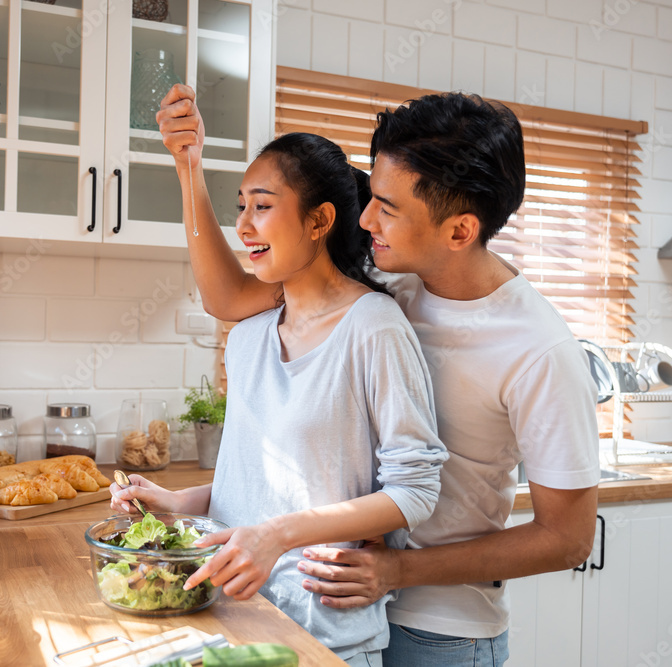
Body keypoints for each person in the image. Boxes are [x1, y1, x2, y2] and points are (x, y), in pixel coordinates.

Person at [149, 84, 601, 667]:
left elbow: (567, 539)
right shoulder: (389, 283)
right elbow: (232, 295)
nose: (365, 217)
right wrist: (189, 168)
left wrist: (396, 569)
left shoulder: (539, 351)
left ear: (459, 231)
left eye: (388, 207)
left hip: (443, 630)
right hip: (339, 606)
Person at [110, 131, 448, 666]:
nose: (243, 224)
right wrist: (182, 502)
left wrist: (277, 537)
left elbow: (416, 492)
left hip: (325, 632)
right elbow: (270, 486)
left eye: (263, 207)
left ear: (319, 221)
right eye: (240, 207)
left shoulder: (374, 328)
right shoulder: (248, 338)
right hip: (231, 616)